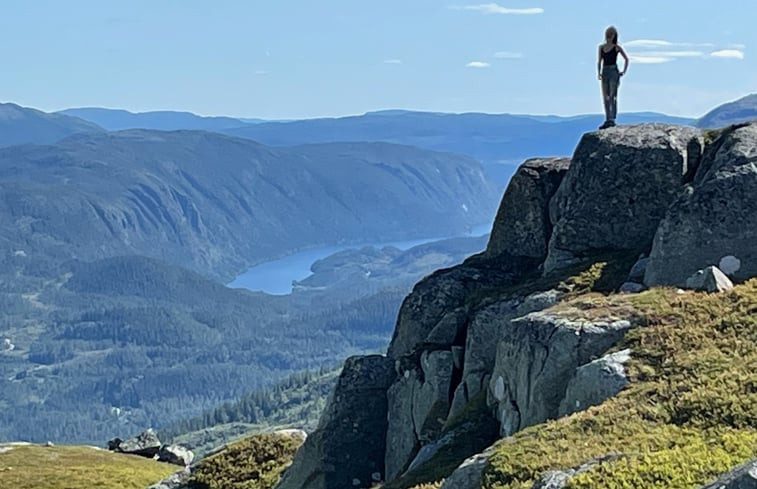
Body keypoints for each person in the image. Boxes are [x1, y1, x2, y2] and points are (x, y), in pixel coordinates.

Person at [597, 26, 629, 129]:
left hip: (613, 71)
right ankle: (607, 118)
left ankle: (612, 118)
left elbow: (626, 59)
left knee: (612, 96)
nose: (609, 36)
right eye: (608, 34)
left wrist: (623, 71)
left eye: (611, 34)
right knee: (605, 96)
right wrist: (599, 73)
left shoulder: (617, 47)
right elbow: (599, 61)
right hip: (605, 71)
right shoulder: (601, 47)